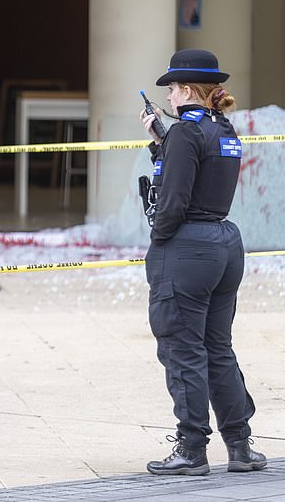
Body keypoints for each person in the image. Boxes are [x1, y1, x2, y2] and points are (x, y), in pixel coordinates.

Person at [140, 49, 266, 477]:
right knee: (217, 348)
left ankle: (192, 449)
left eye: (173, 89)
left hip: (188, 246)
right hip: (225, 243)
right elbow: (199, 177)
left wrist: (159, 241)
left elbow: (173, 200)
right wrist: (162, 141)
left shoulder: (185, 134)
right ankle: (240, 445)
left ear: (188, 90)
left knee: (182, 349)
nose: (170, 97)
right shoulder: (222, 129)